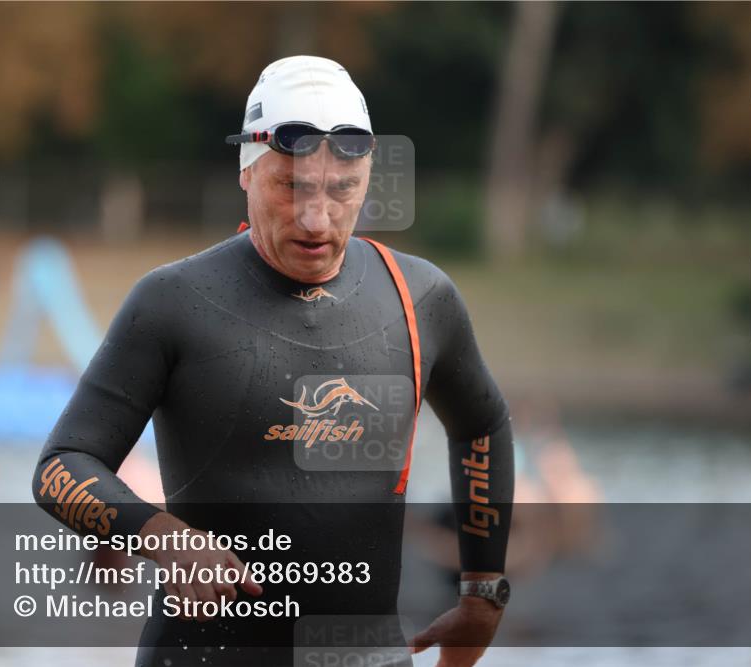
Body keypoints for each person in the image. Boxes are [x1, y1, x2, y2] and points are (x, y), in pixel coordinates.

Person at [32, 55, 515, 667]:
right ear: (247, 173)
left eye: (342, 190)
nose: (317, 219)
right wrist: (162, 538)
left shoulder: (421, 298)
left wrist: (482, 590)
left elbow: (483, 424)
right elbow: (61, 467)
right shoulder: (175, 301)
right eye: (289, 188)